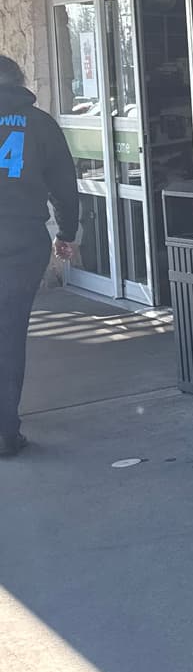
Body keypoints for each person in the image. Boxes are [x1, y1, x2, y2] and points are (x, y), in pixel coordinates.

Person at [0, 54, 79, 458]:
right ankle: (3, 430)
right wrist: (66, 233)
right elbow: (64, 186)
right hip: (18, 243)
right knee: (7, 334)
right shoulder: (40, 124)